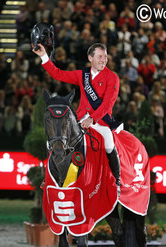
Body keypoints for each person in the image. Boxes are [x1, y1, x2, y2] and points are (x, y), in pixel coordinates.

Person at [32, 24, 121, 189]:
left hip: (101, 121)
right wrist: (44, 56)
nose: (104, 60)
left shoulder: (112, 78)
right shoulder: (83, 75)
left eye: (105, 57)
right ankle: (51, 177)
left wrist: (93, 119)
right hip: (79, 119)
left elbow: (108, 103)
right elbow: (58, 74)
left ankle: (116, 179)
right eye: (100, 56)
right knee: (55, 140)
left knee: (108, 142)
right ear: (90, 58)